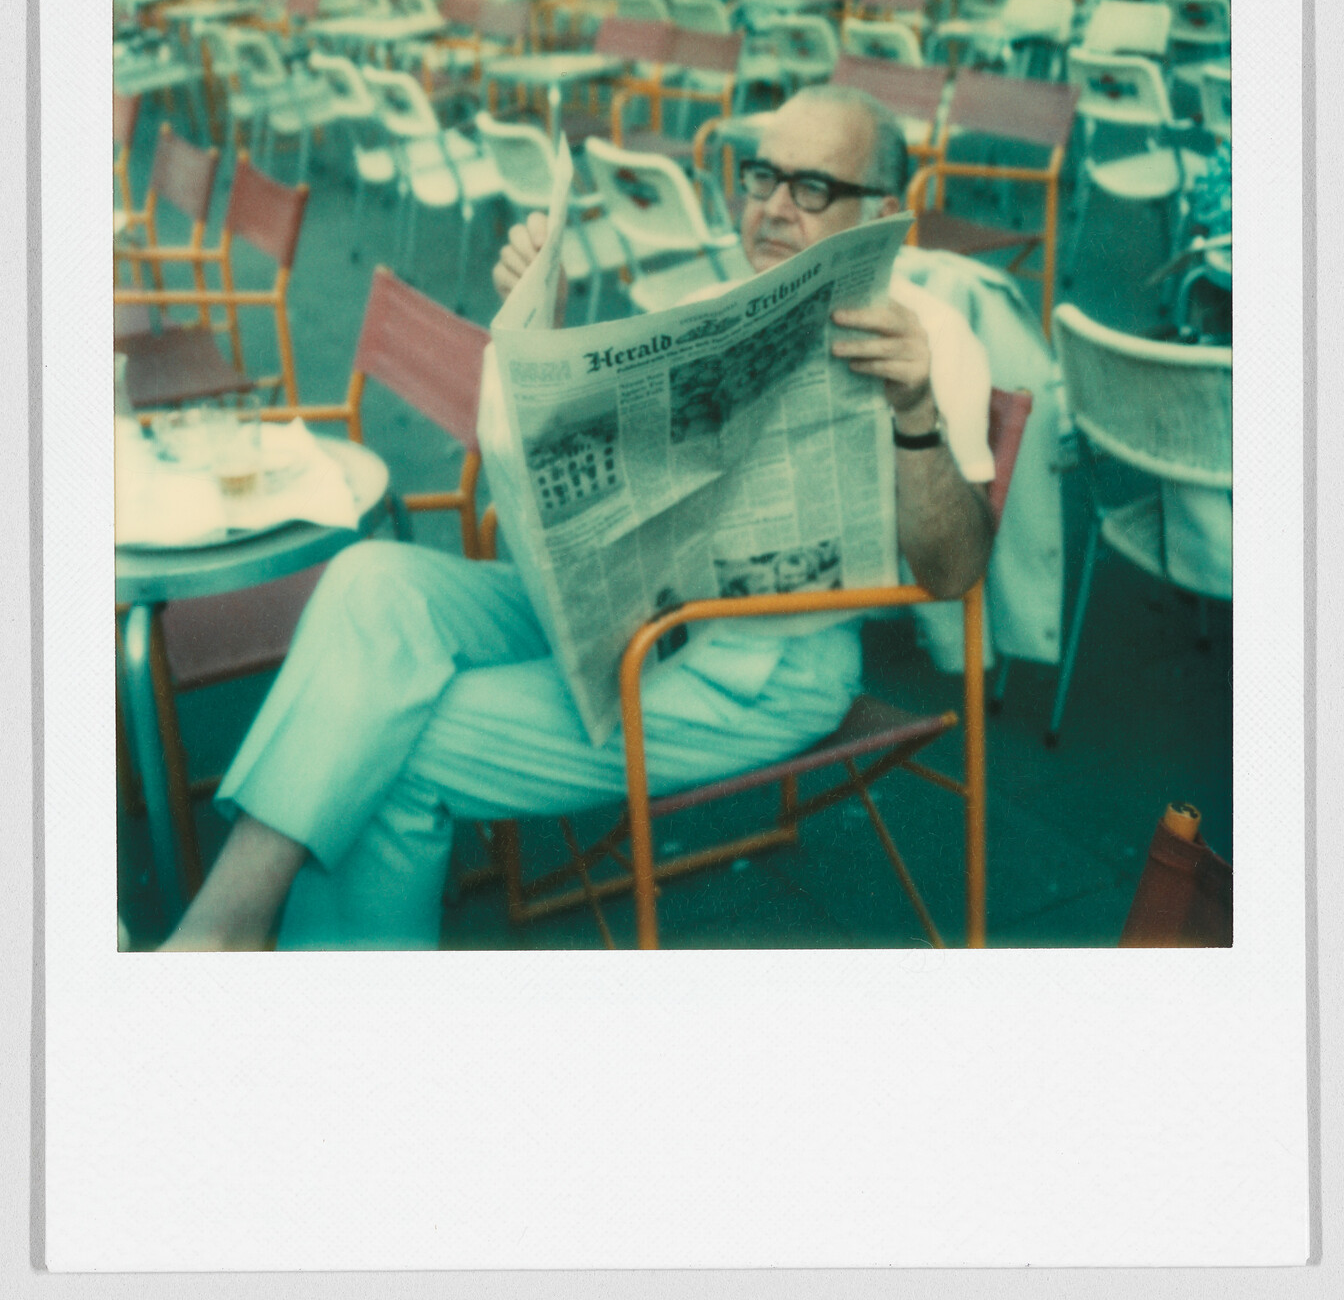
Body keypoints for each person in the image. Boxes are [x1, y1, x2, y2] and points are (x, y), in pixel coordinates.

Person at [162, 86, 994, 951]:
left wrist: (915, 413)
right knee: (372, 579)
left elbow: (956, 572)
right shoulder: (703, 309)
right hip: (620, 616)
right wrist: (538, 334)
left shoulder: (927, 341)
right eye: (760, 177)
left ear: (883, 214)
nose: (773, 208)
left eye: (811, 187)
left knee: (392, 743)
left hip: (761, 667)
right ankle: (228, 925)